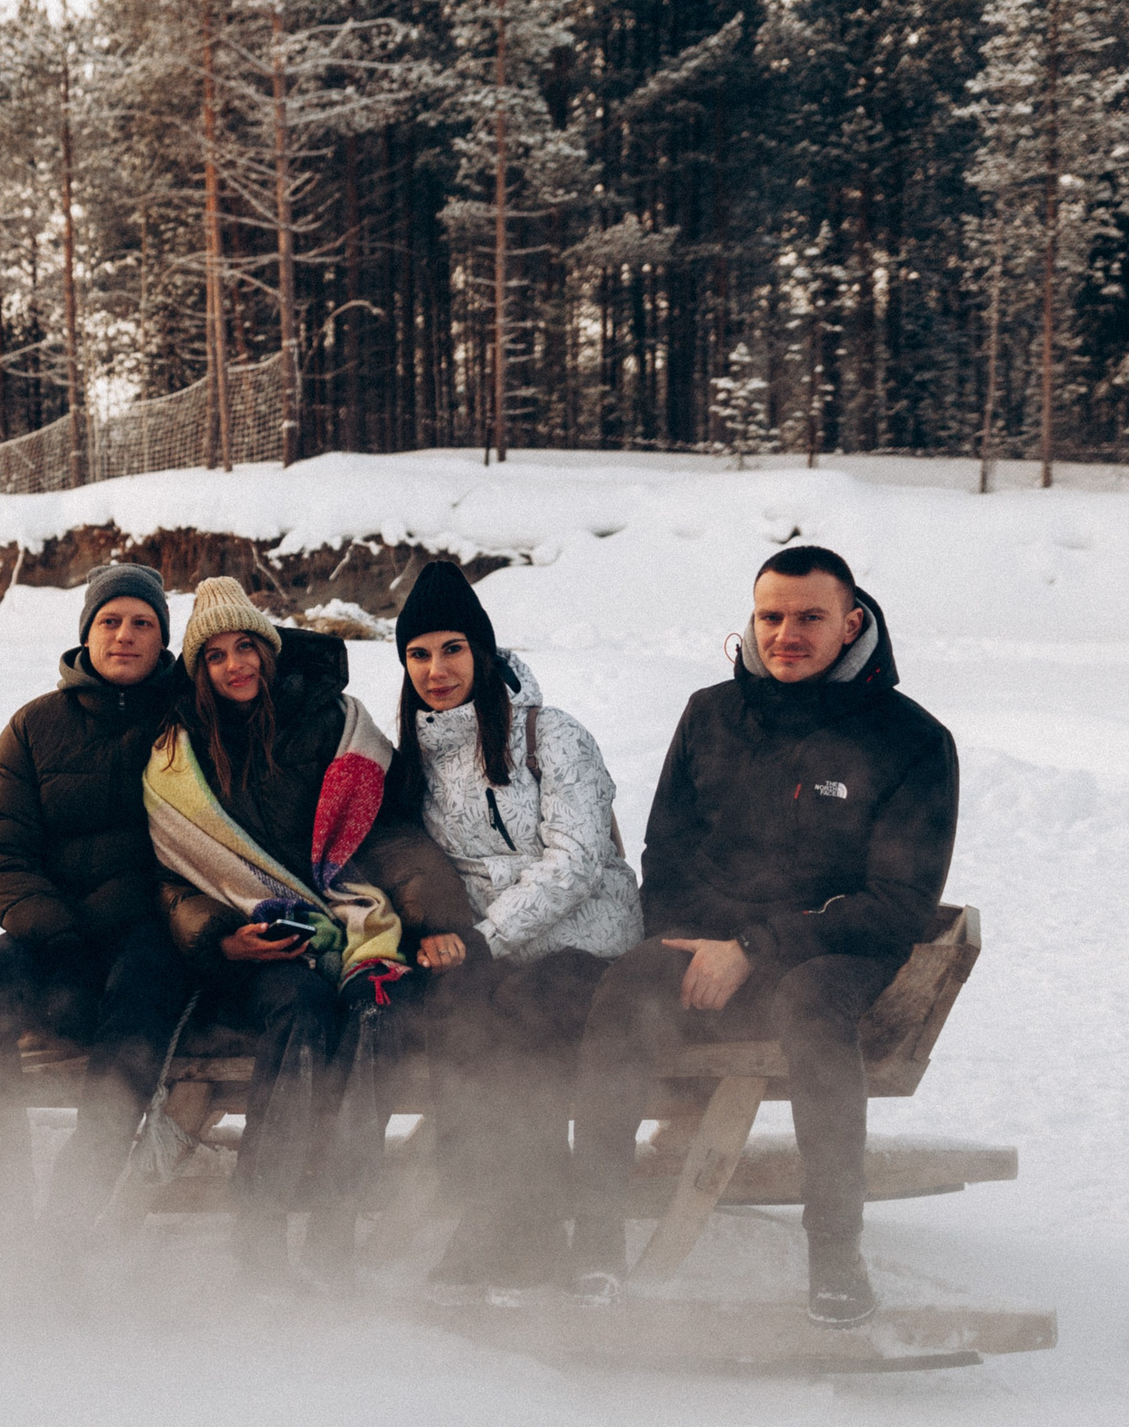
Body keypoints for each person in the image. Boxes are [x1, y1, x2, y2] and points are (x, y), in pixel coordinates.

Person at [577, 546, 957, 1324]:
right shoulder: (710, 713)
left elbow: (899, 900)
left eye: (810, 617)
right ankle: (593, 1240)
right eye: (771, 615)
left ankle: (836, 1249)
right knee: (622, 990)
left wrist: (755, 948)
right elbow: (668, 852)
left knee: (813, 1004)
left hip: (829, 956)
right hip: (706, 954)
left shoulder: (912, 739)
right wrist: (694, 945)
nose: (786, 633)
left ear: (853, 623)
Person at [143, 579, 477, 1289]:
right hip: (254, 940)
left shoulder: (332, 723)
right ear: (197, 669)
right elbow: (172, 879)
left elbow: (388, 834)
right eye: (215, 656)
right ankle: (259, 1227)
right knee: (299, 1011)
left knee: (377, 1011)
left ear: (268, 650)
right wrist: (222, 938)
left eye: (246, 647)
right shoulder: (176, 755)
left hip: (354, 922)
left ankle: (335, 1224)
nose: (235, 666)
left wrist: (435, 918)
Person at [380, 563, 643, 1296]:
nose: (437, 670)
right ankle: (496, 1211)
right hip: (495, 948)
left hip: (588, 945)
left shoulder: (550, 733)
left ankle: (524, 1219)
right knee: (457, 1018)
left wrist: (485, 936)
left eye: (453, 649)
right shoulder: (417, 759)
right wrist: (432, 933)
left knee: (520, 1016)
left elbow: (580, 856)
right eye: (419, 653)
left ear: (483, 652)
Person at [0, 564, 194, 1243]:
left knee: (137, 1011)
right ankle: (5, 1203)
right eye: (110, 620)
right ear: (86, 632)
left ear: (163, 639)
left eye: (142, 622)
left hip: (153, 933)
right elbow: (0, 853)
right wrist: (52, 929)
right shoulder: (35, 726)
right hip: (54, 930)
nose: (125, 635)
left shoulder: (189, 720)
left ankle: (72, 1206)